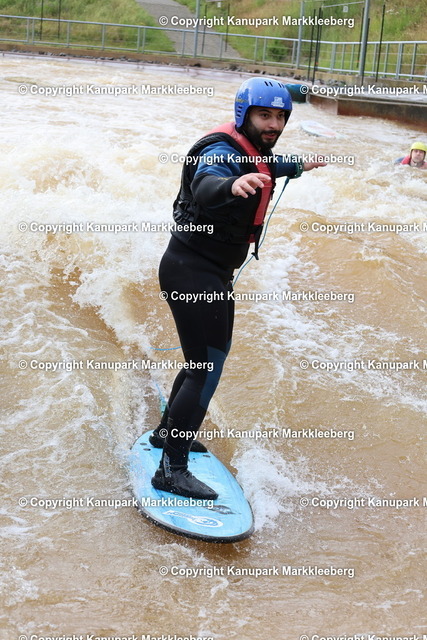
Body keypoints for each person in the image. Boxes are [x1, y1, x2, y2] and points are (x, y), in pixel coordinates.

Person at [149, 77, 326, 500]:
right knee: (205, 368)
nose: (273, 124)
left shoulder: (252, 151)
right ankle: (171, 469)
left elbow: (263, 166)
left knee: (203, 361)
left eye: (280, 116)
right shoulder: (220, 153)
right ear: (243, 115)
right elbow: (207, 183)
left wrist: (296, 167)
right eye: (264, 115)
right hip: (192, 272)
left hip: (209, 272)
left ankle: (166, 433)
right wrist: (230, 186)